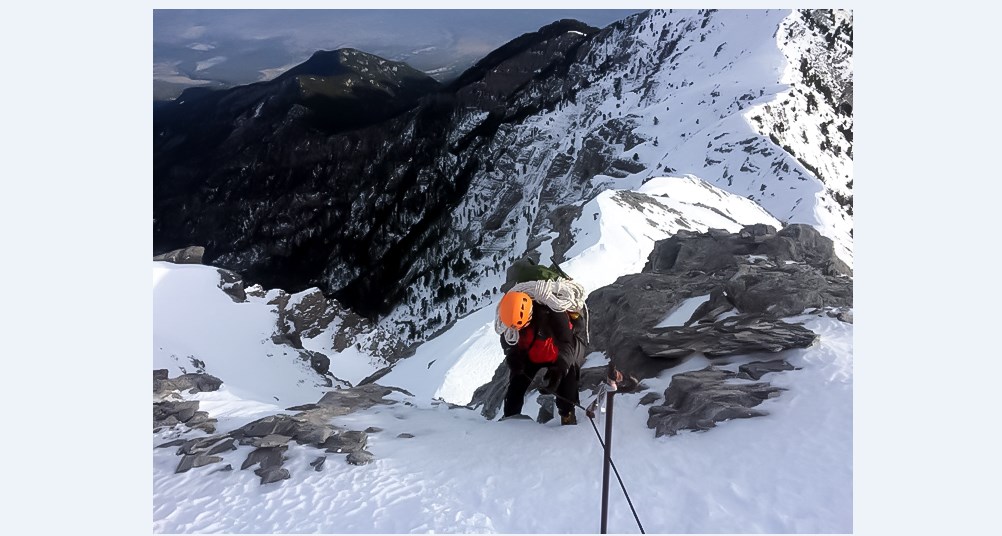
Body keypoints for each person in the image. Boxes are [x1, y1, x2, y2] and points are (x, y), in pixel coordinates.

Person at [498, 290, 586, 425]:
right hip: (531, 355)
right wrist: (512, 356)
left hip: (556, 354)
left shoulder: (554, 314)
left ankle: (567, 414)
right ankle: (510, 418)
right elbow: (508, 341)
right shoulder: (509, 321)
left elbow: (567, 345)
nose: (517, 330)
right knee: (516, 385)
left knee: (567, 382)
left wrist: (559, 369)